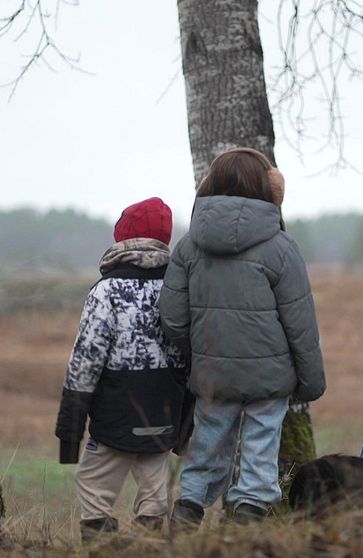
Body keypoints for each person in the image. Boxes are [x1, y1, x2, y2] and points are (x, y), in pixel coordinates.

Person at [159, 148, 325, 528]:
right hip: (270, 379)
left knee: (206, 446)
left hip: (212, 373)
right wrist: (311, 381)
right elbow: (301, 323)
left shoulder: (187, 247)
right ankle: (246, 521)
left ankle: (188, 509)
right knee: (260, 451)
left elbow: (172, 317)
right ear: (270, 191)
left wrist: (201, 351)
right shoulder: (282, 248)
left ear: (208, 188)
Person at [54, 197, 189, 542]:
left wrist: (70, 435)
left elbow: (84, 363)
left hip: (113, 421)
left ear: (122, 238)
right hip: (164, 417)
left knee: (93, 486)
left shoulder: (107, 291)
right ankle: (151, 546)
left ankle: (101, 549)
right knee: (155, 495)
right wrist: (185, 426)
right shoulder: (178, 288)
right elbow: (191, 357)